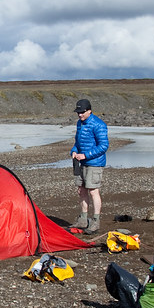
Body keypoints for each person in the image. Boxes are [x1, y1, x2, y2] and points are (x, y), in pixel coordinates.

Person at [70, 98, 108, 234]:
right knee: (81, 190)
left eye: (82, 112)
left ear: (89, 111)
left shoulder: (99, 124)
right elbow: (77, 142)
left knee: (93, 191)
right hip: (81, 162)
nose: (80, 115)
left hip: (95, 163)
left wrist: (86, 155)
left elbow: (104, 146)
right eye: (78, 112)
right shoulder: (79, 124)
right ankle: (83, 219)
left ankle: (96, 221)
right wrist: (74, 151)